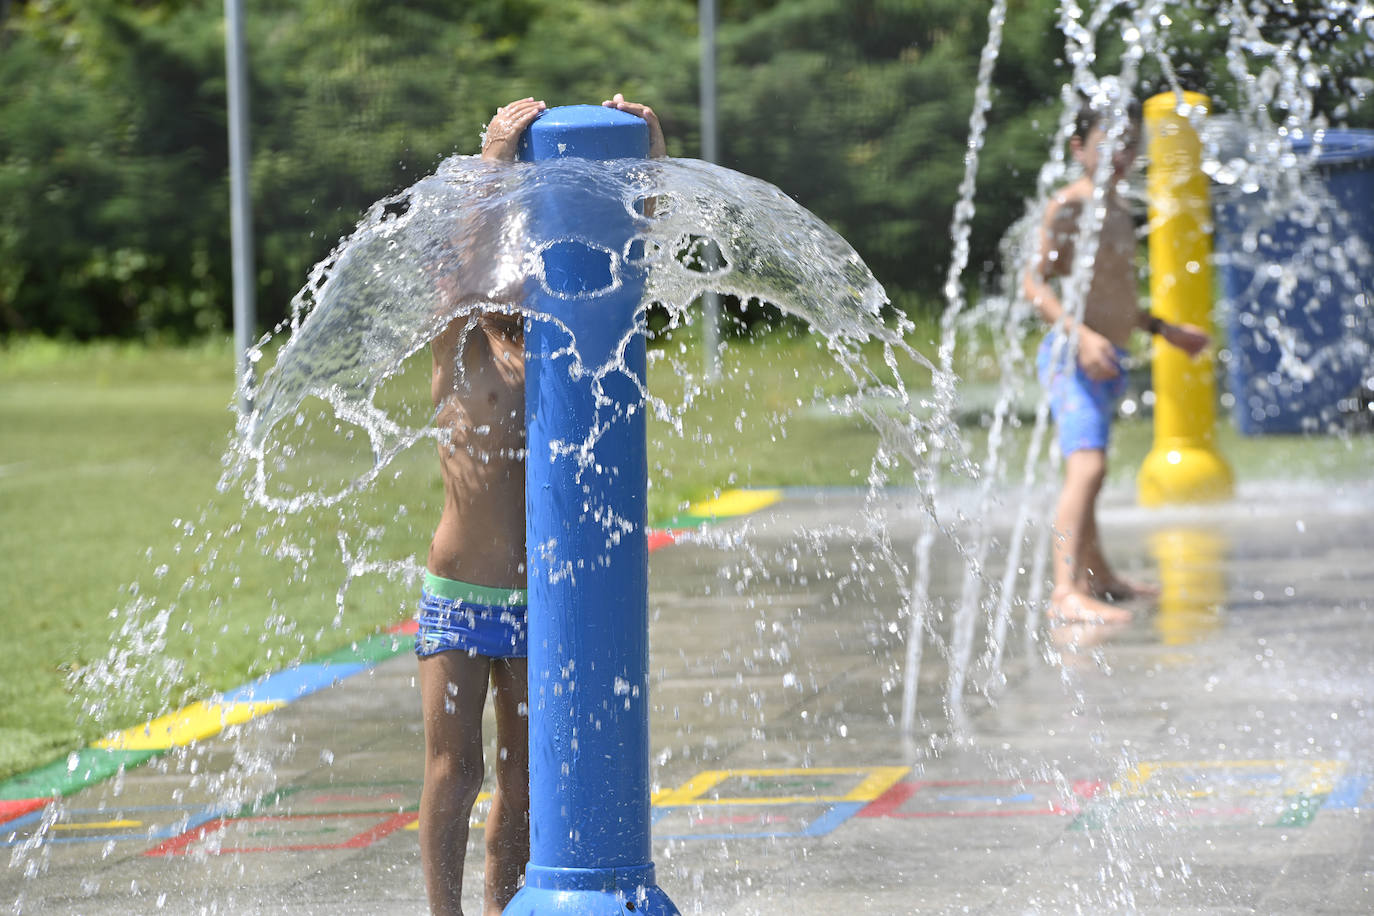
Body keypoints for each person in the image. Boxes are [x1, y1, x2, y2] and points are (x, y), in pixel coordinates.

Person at [415, 93, 666, 916]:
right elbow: (457, 270)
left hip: (542, 604)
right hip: (458, 597)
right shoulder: (457, 350)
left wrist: (647, 153)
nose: (512, 280)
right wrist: (494, 164)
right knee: (455, 772)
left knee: (525, 785)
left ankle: (502, 910)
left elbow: (632, 266)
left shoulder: (562, 357)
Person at [1022, 97, 1209, 627]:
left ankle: (1098, 578)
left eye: (1130, 144)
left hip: (1110, 357)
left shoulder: (1123, 209)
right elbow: (1033, 285)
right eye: (1109, 145)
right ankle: (1064, 592)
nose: (1122, 155)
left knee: (1093, 470)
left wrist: (1164, 330)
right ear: (1079, 148)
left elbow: (1117, 298)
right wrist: (1080, 336)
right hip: (1071, 356)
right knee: (1088, 467)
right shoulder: (1069, 205)